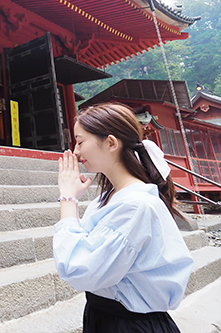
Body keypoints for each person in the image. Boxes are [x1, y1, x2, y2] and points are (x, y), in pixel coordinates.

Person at [54, 103, 194, 333]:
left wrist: (68, 198)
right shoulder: (111, 197)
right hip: (108, 316)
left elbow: (79, 268)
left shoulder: (135, 205)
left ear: (110, 142)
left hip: (129, 325)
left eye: (80, 142)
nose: (76, 152)